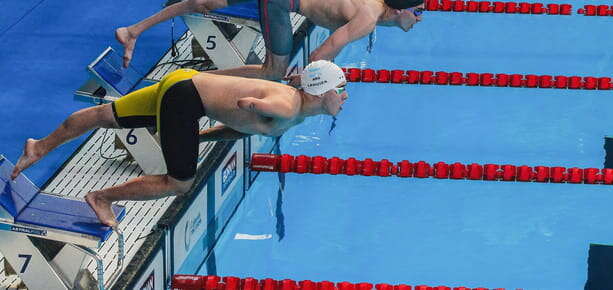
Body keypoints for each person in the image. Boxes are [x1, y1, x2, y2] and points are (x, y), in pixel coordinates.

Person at [10, 60, 347, 228]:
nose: (344, 97)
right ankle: (101, 197)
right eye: (341, 89)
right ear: (323, 91)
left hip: (183, 80)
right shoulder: (288, 106)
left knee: (104, 115)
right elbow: (257, 108)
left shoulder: (298, 109)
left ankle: (38, 146)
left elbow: (240, 129)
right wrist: (254, 104)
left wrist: (200, 135)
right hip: (185, 100)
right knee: (180, 183)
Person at [116, 0, 425, 80]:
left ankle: (132, 31)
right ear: (398, 10)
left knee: (202, 4)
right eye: (418, 11)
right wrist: (313, 81)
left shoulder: (371, 8)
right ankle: (193, 79)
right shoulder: (367, 20)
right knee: (274, 71)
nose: (420, 17)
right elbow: (320, 54)